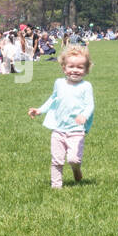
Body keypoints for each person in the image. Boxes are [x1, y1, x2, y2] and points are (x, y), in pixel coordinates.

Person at [28, 45, 95, 188]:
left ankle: (76, 169)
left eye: (80, 67)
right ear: (64, 68)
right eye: (71, 66)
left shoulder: (86, 86)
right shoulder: (59, 83)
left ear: (86, 69)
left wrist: (84, 115)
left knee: (73, 159)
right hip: (58, 130)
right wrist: (40, 110)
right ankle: (56, 186)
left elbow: (90, 105)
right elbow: (52, 99)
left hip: (76, 130)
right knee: (57, 160)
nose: (75, 70)